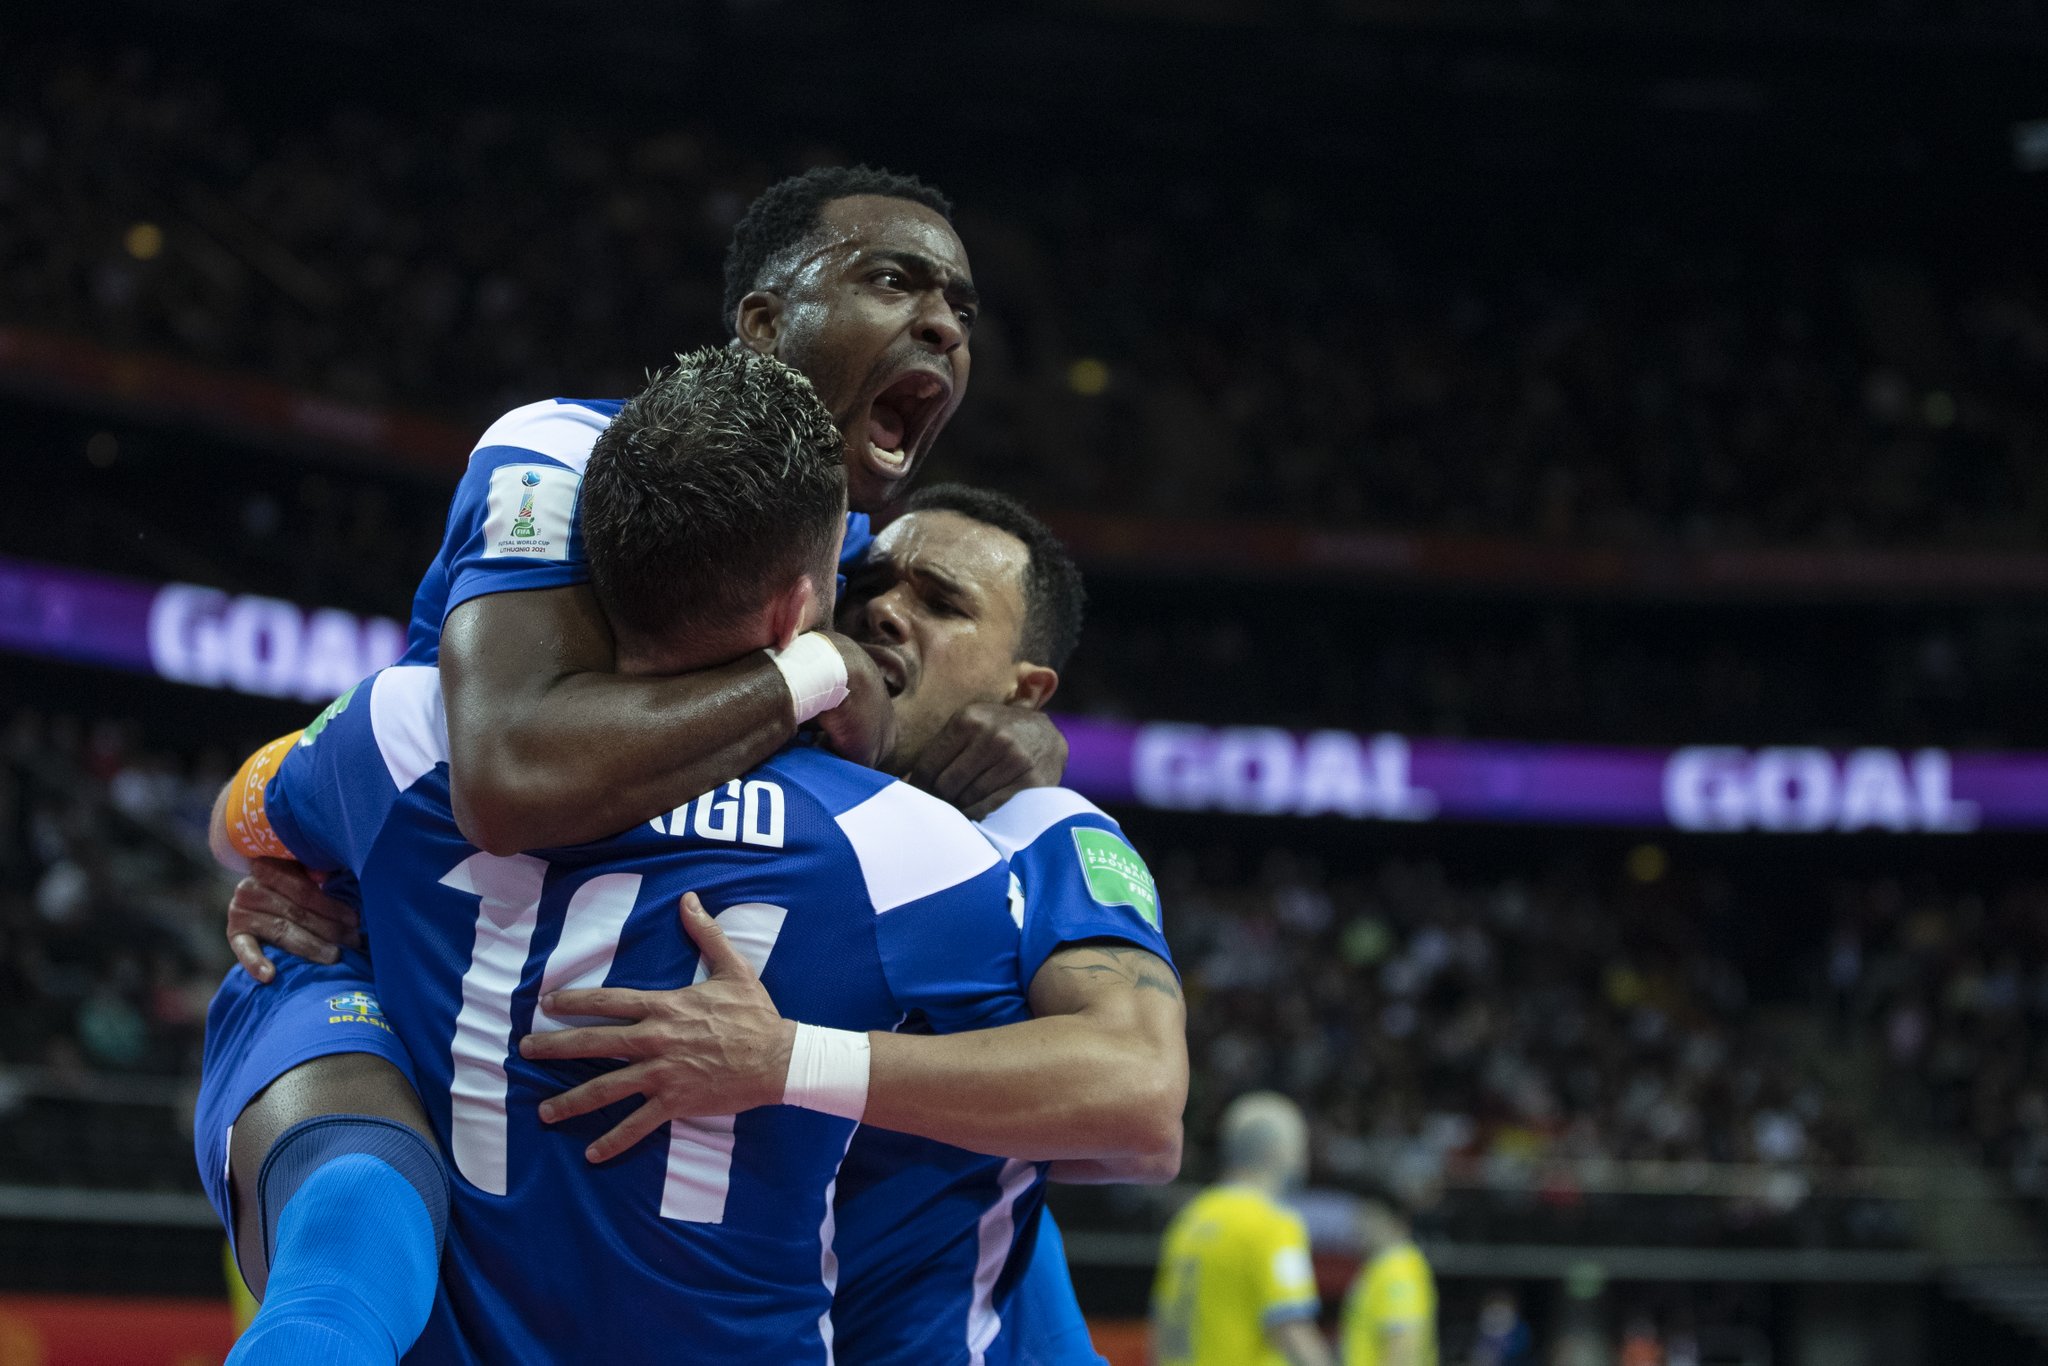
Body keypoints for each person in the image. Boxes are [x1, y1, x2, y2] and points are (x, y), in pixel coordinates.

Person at [205, 166, 1063, 1346]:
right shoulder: (565, 453)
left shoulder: (858, 570)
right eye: (893, 280)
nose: (943, 324)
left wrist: (1021, 735)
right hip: (386, 958)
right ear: (762, 324)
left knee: (988, 1209)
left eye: (962, 306)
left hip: (598, 1006)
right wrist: (813, 675)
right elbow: (505, 778)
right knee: (359, 1214)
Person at [228, 480, 1189, 1362]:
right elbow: (268, 798)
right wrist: (309, 866)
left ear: (1023, 693)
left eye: (941, 603)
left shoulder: (1038, 831)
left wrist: (790, 1062)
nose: (886, 607)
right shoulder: (705, 755)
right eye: (872, 578)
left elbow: (1139, 1101)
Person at [1152, 1092, 1333, 1366]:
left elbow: (1161, 1326)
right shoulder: (1272, 1224)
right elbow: (1292, 1329)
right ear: (1279, 1151)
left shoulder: (1190, 1220)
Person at [1339, 1184, 1436, 1366]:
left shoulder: (1398, 1270)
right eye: (1360, 1217)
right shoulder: (1378, 1267)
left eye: (1370, 1217)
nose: (1361, 1226)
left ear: (1395, 1222)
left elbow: (1404, 1345)